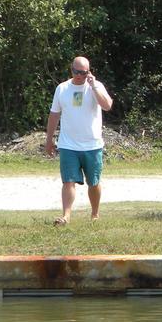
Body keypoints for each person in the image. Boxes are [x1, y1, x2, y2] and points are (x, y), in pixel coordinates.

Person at [45, 56, 114, 225]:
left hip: (92, 144)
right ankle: (66, 216)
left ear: (89, 72)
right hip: (68, 145)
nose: (79, 75)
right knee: (68, 181)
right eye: (76, 72)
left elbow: (107, 106)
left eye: (83, 72)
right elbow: (54, 115)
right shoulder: (62, 89)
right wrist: (49, 139)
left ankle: (95, 214)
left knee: (94, 182)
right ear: (71, 70)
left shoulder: (96, 87)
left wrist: (93, 86)